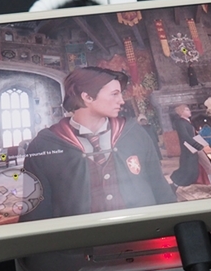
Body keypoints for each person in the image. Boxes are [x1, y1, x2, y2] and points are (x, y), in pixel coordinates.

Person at [20, 67, 177, 221]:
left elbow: (160, 187)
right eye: (114, 94)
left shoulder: (134, 133)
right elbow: (36, 212)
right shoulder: (44, 145)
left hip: (142, 229)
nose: (122, 101)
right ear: (87, 97)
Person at [170, 104, 211, 197]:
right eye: (187, 110)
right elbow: (185, 136)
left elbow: (192, 135)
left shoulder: (187, 121)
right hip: (189, 150)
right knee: (188, 171)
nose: (189, 111)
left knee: (208, 166)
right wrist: (197, 145)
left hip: (195, 148)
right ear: (181, 112)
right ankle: (173, 186)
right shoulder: (179, 122)